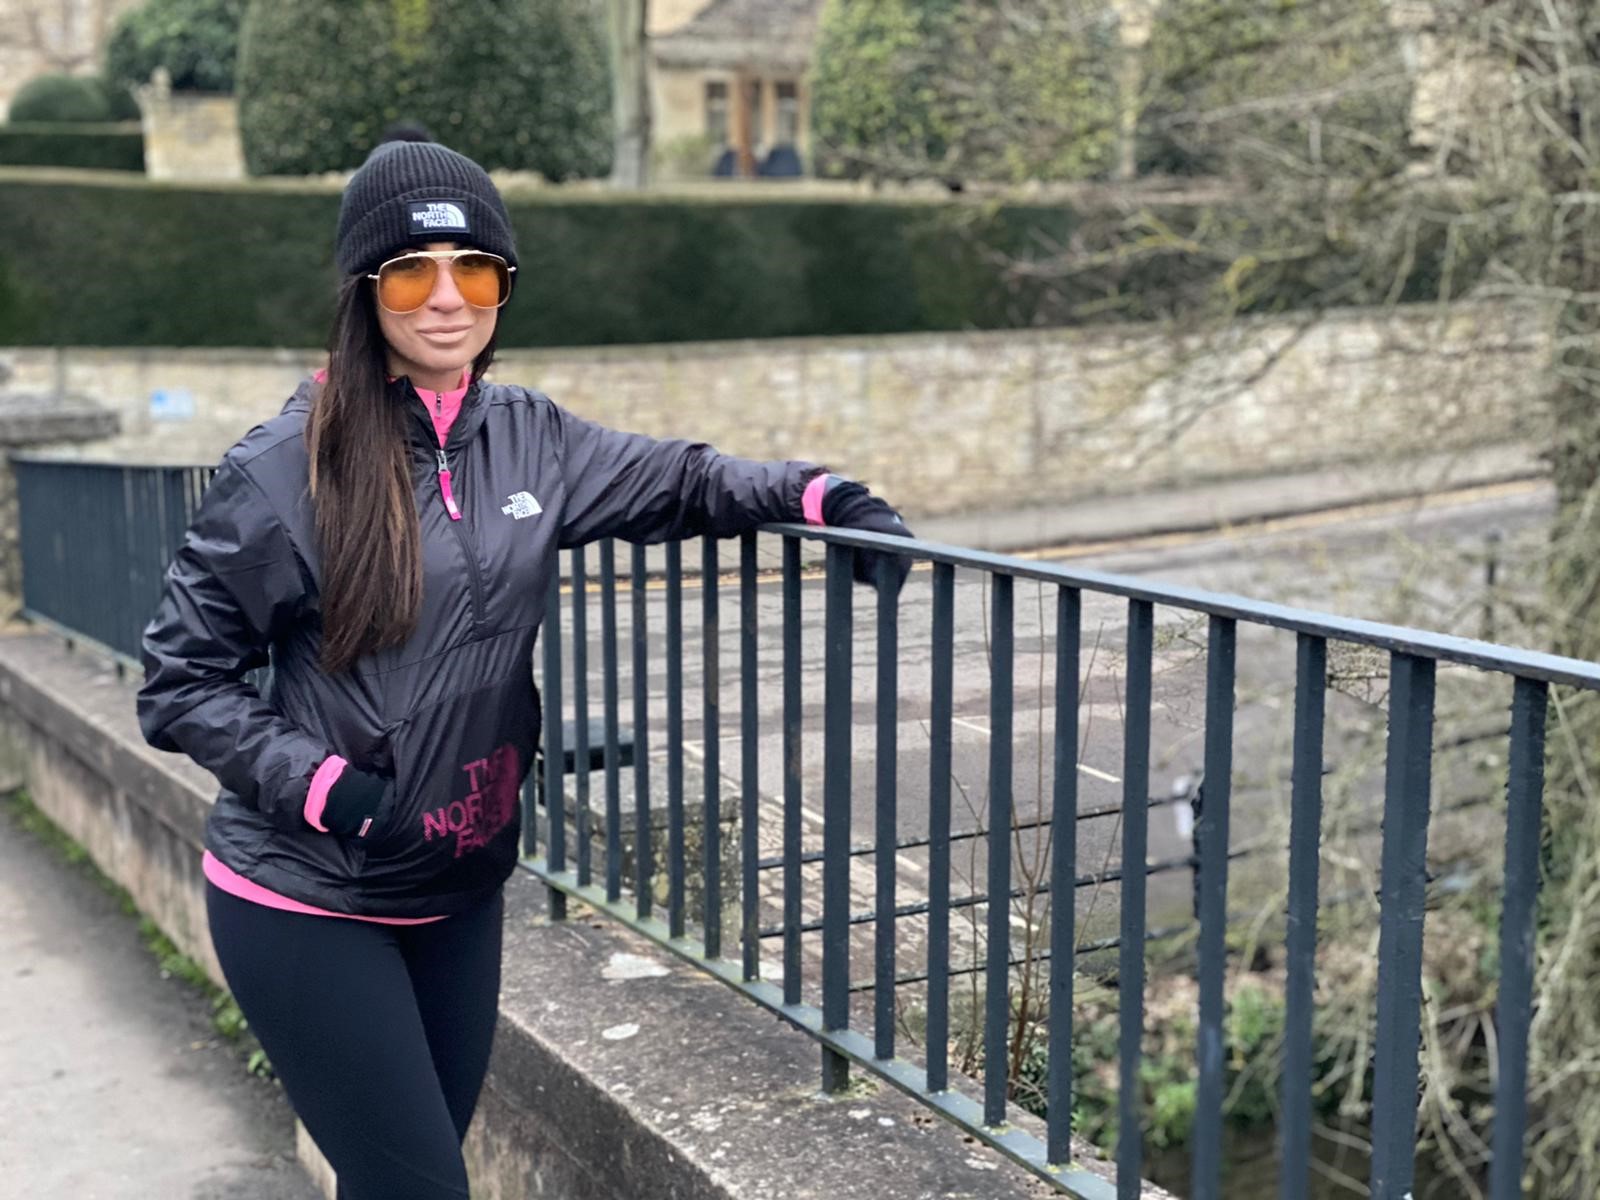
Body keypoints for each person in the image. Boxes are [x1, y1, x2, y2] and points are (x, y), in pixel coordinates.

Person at [136, 137, 910, 1200]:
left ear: (502, 285)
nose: (445, 299)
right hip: (310, 897)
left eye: (476, 271)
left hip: (460, 886)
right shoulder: (282, 470)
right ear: (366, 292)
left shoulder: (530, 438)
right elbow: (179, 682)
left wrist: (823, 499)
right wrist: (331, 790)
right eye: (411, 271)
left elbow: (681, 482)